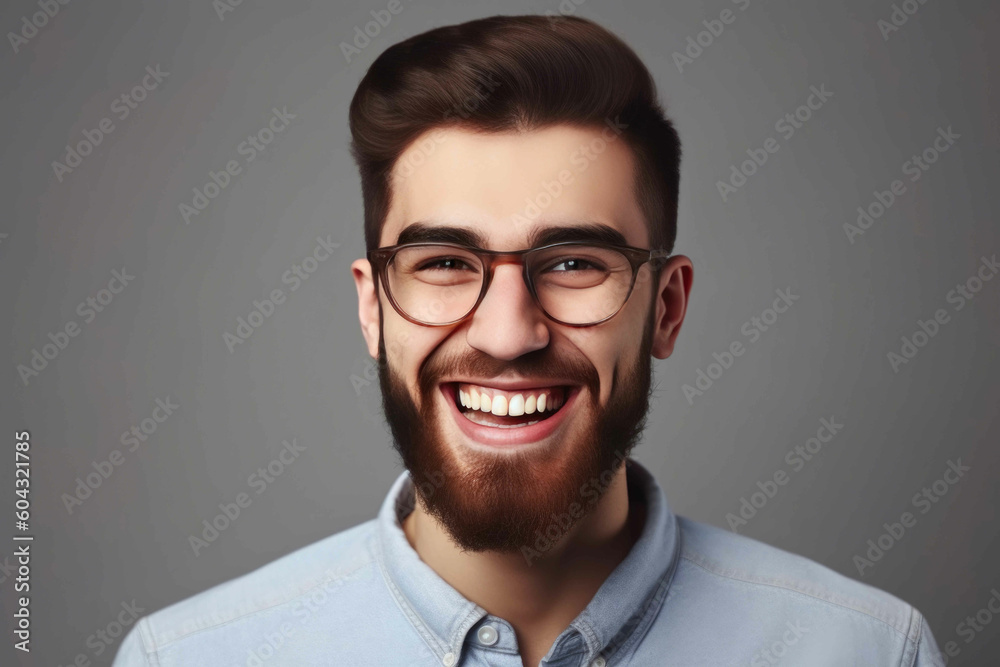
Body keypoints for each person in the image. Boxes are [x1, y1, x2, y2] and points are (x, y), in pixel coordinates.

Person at [114, 14, 943, 666]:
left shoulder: (869, 652)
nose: (509, 332)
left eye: (575, 261)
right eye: (443, 261)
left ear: (666, 307)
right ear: (372, 308)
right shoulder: (186, 659)